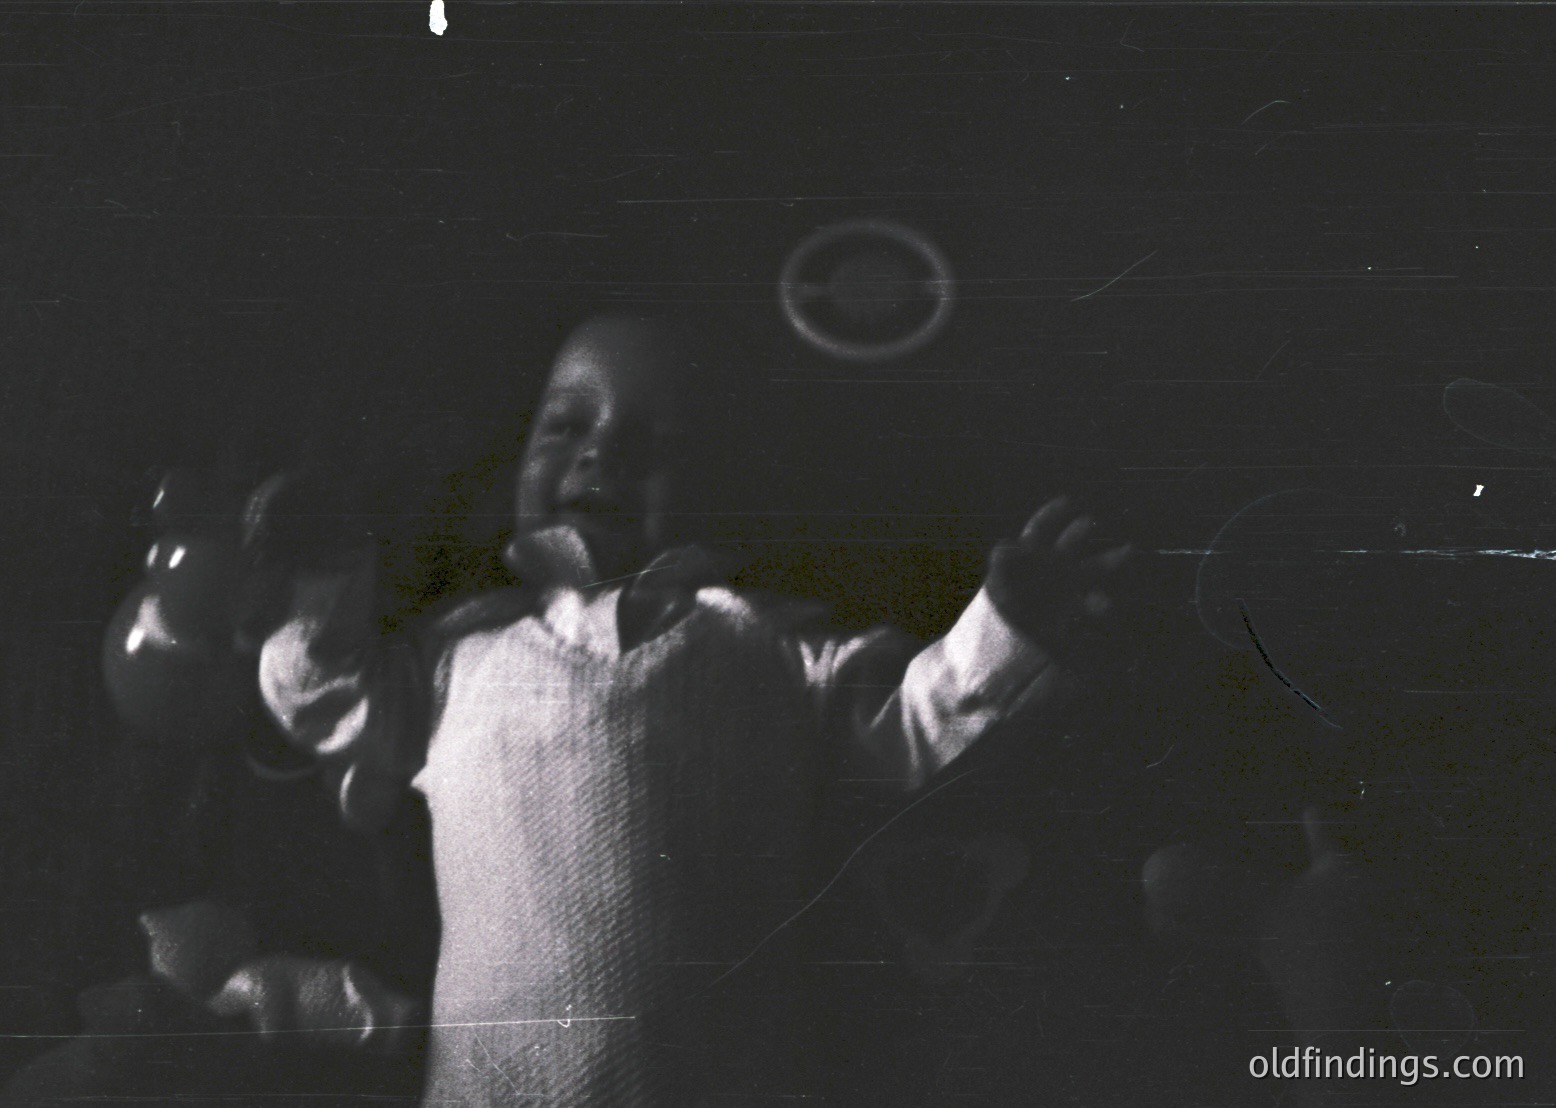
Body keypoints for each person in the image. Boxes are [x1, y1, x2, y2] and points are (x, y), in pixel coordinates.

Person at [256, 313, 1131, 1106]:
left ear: (723, 481)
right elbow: (322, 696)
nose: (602, 456)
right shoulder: (459, 657)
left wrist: (1004, 624)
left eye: (655, 444)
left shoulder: (776, 649)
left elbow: (914, 723)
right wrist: (323, 584)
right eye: (565, 425)